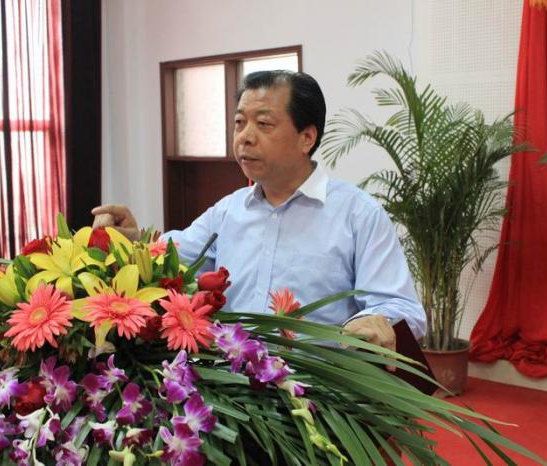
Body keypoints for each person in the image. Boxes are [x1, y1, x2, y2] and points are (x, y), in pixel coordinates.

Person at [93, 70, 426, 366]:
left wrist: (376, 319)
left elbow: (402, 308)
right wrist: (134, 239)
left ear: (306, 138)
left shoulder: (357, 214)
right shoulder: (229, 210)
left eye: (264, 124)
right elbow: (174, 255)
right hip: (230, 388)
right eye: (240, 123)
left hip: (317, 394)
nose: (245, 137)